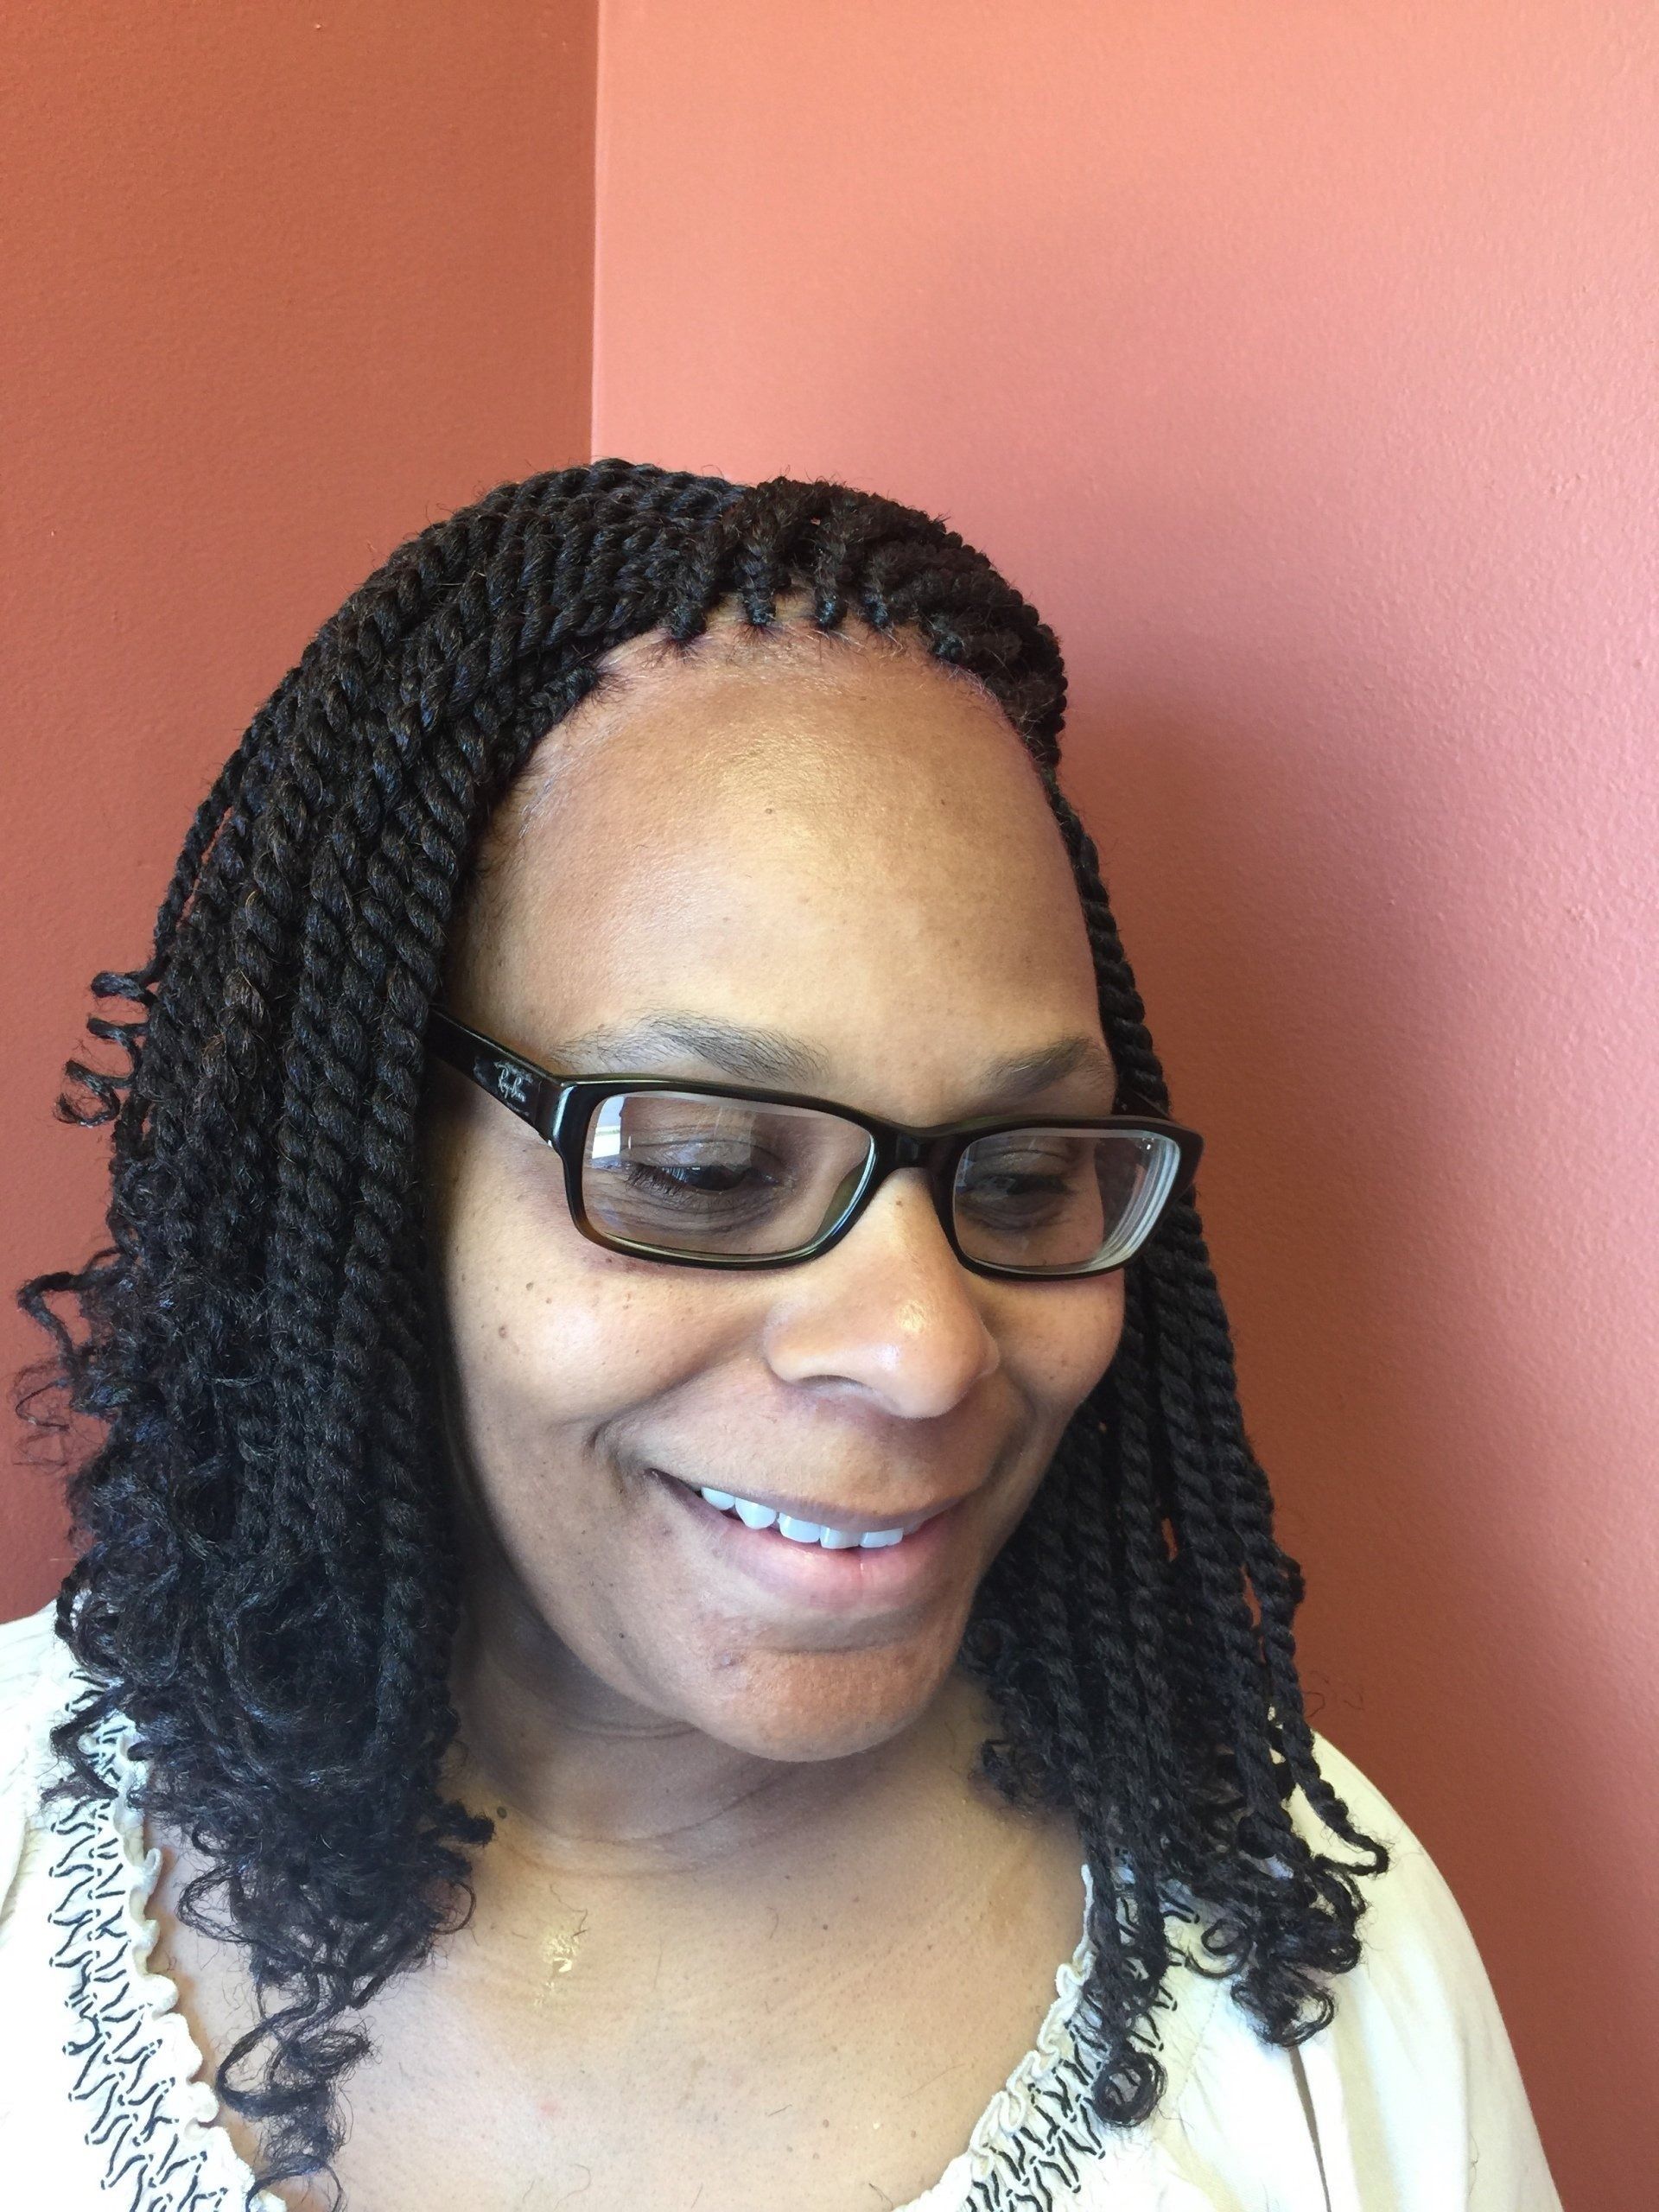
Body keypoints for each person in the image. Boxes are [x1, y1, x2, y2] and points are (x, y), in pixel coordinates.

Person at [0, 461, 1559, 2211]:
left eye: (1027, 1173)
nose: (925, 1351)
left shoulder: (1315, 1978)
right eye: (707, 1164)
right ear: (355, 1165)